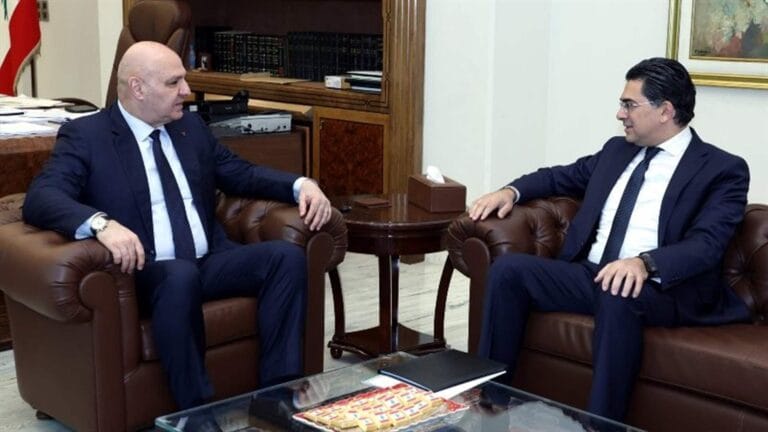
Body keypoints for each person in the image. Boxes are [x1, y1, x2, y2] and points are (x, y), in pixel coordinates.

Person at [23, 41, 333, 420]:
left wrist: (300, 185)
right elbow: (42, 196)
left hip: (208, 261)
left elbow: (240, 172)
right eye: (174, 83)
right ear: (138, 88)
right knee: (179, 275)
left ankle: (277, 399)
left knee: (285, 258)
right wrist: (102, 224)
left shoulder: (189, 127)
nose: (186, 91)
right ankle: (196, 414)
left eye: (183, 80)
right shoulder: (88, 136)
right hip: (146, 272)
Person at [468, 57, 750, 422]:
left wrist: (644, 264)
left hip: (664, 288)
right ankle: (491, 405)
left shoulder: (722, 169)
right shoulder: (618, 151)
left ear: (665, 111)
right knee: (509, 271)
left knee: (619, 291)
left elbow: (707, 244)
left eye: (629, 105)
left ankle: (602, 426)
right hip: (593, 274)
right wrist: (510, 191)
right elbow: (558, 177)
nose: (620, 114)